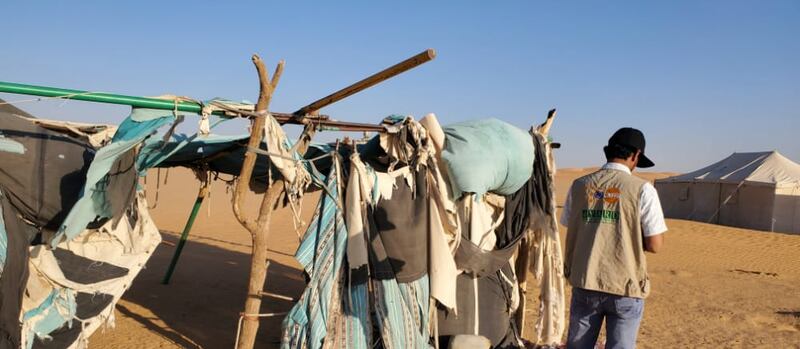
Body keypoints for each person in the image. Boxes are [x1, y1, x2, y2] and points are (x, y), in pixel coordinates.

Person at [561, 127, 667, 349]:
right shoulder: (643, 190)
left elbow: (571, 224)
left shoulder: (579, 186)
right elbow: (655, 245)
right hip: (624, 286)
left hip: (585, 280)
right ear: (635, 155)